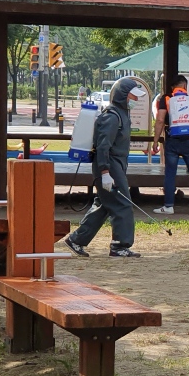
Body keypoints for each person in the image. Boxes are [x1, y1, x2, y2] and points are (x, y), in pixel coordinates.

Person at [65, 76, 145, 259]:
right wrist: (105, 172)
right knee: (123, 204)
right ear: (123, 96)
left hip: (115, 165)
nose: (136, 100)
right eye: (133, 97)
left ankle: (77, 240)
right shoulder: (112, 116)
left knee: (105, 204)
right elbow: (103, 147)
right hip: (110, 166)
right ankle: (120, 245)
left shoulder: (122, 113)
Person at [150, 75, 189, 216]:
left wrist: (155, 141)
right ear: (185, 86)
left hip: (172, 140)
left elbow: (160, 120)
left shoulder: (166, 99)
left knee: (170, 173)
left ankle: (168, 206)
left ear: (173, 87)